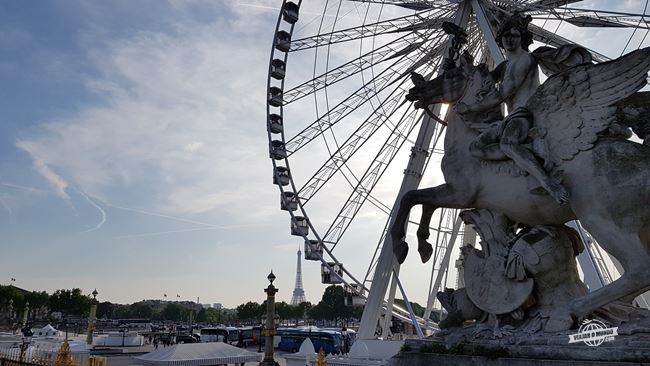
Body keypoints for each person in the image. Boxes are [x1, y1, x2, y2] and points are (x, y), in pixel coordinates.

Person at [456, 13, 569, 204]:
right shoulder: (506, 65)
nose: (509, 39)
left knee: (508, 144)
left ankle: (549, 182)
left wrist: (471, 108)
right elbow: (485, 80)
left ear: (522, 39)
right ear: (500, 39)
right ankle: (529, 152)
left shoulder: (525, 59)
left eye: (515, 35)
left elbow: (502, 94)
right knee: (475, 147)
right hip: (509, 119)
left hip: (524, 113)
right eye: (506, 35)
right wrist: (461, 61)